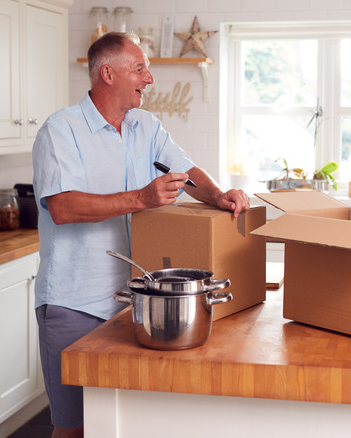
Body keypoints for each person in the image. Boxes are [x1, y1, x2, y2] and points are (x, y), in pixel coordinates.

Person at [31, 32, 250, 438]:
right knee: (74, 428)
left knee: (121, 423)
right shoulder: (60, 130)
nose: (149, 78)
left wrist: (219, 196)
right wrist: (142, 198)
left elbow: (184, 173)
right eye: (140, 68)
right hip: (73, 305)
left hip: (131, 305)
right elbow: (62, 207)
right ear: (108, 73)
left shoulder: (144, 125)